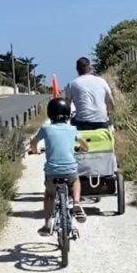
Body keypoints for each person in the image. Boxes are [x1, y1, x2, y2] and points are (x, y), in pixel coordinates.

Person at [29, 97, 89, 236]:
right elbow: (85, 145)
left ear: (50, 114)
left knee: (49, 194)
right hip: (70, 170)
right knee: (75, 181)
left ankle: (47, 223)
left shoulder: (46, 128)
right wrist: (81, 148)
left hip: (52, 171)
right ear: (68, 115)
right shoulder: (73, 129)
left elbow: (33, 143)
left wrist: (35, 150)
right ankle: (76, 203)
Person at [65, 57, 114, 131]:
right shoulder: (102, 81)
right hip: (102, 122)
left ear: (77, 69)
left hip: (82, 123)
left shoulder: (72, 84)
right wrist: (108, 112)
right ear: (89, 67)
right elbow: (111, 102)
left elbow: (67, 106)